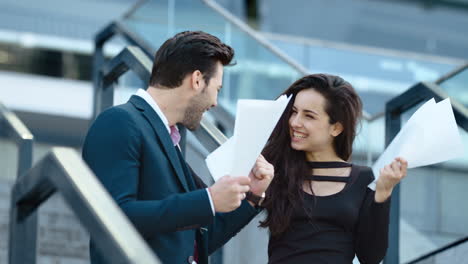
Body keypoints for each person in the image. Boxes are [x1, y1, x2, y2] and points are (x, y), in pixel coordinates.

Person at [82, 31, 274, 264]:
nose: (215, 102)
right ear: (196, 80)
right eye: (217, 89)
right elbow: (113, 218)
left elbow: (195, 245)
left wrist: (252, 196)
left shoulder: (168, 138)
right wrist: (209, 200)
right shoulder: (119, 122)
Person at [260, 74, 408, 264]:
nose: (295, 122)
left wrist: (383, 193)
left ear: (336, 128)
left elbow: (370, 257)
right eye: (294, 112)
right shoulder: (275, 169)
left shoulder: (363, 178)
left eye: (309, 116)